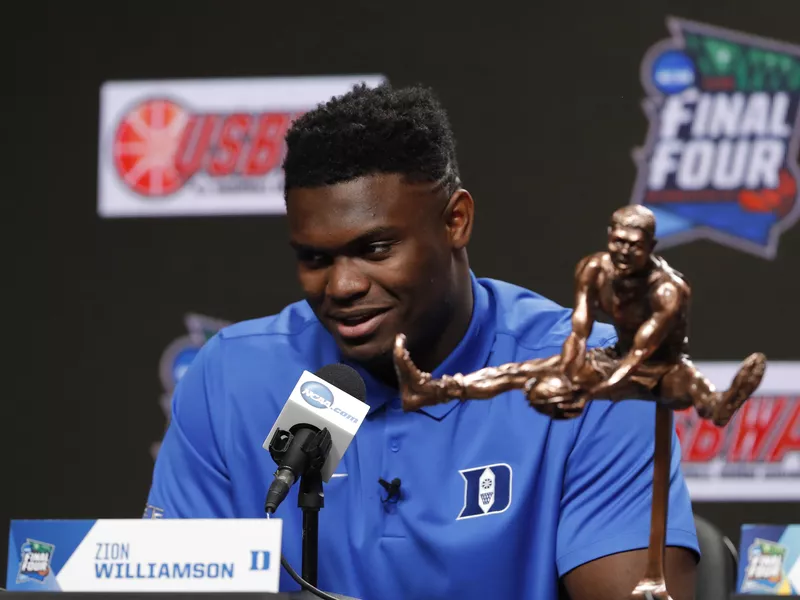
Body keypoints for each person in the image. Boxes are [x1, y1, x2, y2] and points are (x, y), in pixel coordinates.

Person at [144, 82, 700, 599]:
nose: (342, 287)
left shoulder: (594, 377)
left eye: (377, 249)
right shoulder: (230, 378)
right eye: (315, 259)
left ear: (456, 221)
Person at [392, 205, 766, 426]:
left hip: (662, 367)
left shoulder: (668, 291)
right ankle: (432, 390)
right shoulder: (594, 269)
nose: (622, 251)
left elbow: (642, 352)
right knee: (524, 371)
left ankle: (723, 402)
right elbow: (581, 327)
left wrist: (590, 392)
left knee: (700, 398)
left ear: (651, 246)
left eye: (633, 246)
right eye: (616, 241)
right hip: (614, 357)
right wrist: (571, 370)